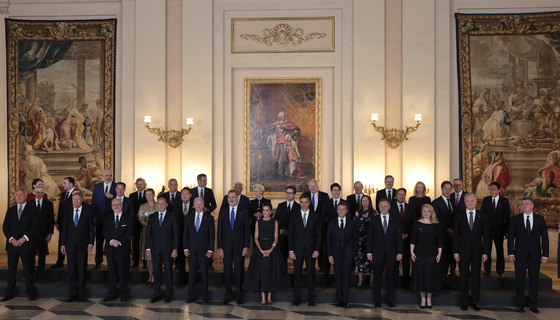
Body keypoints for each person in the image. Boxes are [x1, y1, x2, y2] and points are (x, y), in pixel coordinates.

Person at [508, 197, 549, 314]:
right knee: (519, 280)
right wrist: (510, 252)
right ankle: (520, 304)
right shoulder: (516, 219)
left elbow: (545, 238)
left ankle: (533, 304)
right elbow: (511, 237)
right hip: (519, 255)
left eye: (526, 204)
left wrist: (545, 254)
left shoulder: (540, 219)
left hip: (535, 256)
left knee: (534, 281)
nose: (524, 206)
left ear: (532, 205)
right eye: (522, 204)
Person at [244, 202, 290, 305]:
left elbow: (276, 238)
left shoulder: (275, 222)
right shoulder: (258, 222)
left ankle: (269, 296)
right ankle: (263, 297)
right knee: (261, 272)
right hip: (260, 248)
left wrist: (270, 250)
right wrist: (261, 250)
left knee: (270, 272)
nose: (265, 212)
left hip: (272, 249)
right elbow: (255, 238)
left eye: (267, 210)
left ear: (270, 211)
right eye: (263, 210)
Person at [452, 193, 490, 311]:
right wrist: (455, 251)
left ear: (476, 202)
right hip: (462, 251)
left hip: (478, 251)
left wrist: (485, 252)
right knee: (463, 276)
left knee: (476, 276)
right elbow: (454, 236)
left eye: (472, 201)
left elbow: (486, 236)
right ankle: (464, 301)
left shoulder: (482, 216)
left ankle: (474, 301)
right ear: (464, 202)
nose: (470, 203)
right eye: (467, 201)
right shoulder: (459, 215)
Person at [2, 188, 38, 301]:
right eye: (17, 195)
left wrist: (24, 238)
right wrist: (11, 239)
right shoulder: (10, 210)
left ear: (26, 196)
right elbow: (5, 227)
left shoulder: (32, 210)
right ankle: (9, 294)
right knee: (11, 270)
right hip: (12, 245)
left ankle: (31, 294)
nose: (18, 197)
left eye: (21, 195)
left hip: (26, 245)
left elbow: (35, 227)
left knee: (28, 270)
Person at [367, 199, 403, 308]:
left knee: (391, 277)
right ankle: (377, 301)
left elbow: (399, 239)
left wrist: (400, 252)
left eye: (385, 206)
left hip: (392, 253)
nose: (383, 208)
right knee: (376, 277)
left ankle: (389, 300)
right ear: (378, 207)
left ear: (389, 207)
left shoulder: (395, 220)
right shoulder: (374, 219)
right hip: (377, 253)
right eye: (381, 206)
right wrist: (369, 252)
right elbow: (370, 237)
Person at [217, 190, 250, 305]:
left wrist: (246, 246)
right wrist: (219, 247)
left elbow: (247, 231)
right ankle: (228, 294)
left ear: (237, 198)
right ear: (227, 199)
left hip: (239, 247)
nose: (231, 199)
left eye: (233, 197)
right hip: (225, 248)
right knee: (227, 271)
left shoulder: (244, 212)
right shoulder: (223, 212)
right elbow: (219, 231)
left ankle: (239, 296)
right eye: (229, 198)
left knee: (239, 271)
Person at [60, 192, 94, 302]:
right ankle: (72, 293)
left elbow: (91, 229)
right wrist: (62, 244)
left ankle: (81, 294)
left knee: (81, 269)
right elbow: (64, 229)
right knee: (71, 270)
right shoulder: (68, 211)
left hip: (82, 245)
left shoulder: (88, 211)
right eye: (73, 199)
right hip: (70, 245)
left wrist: (91, 243)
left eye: (77, 199)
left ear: (81, 200)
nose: (75, 201)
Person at [289, 193, 322, 307]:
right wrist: (291, 250)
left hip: (311, 251)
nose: (304, 204)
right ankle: (297, 298)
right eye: (301, 202)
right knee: (297, 275)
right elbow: (291, 235)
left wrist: (317, 249)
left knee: (311, 276)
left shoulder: (315, 215)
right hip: (297, 251)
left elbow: (319, 235)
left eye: (306, 202)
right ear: (300, 203)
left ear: (309, 203)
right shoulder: (294, 215)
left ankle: (311, 299)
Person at [145, 197, 179, 303]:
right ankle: (157, 293)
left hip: (169, 249)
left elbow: (176, 234)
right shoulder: (152, 217)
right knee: (157, 271)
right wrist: (147, 248)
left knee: (168, 271)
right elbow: (148, 234)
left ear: (166, 205)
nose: (160, 205)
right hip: (155, 249)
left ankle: (168, 294)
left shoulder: (172, 216)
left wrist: (175, 249)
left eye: (162, 203)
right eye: (158, 203)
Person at [410, 204, 443, 309]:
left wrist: (439, 254)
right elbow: (413, 239)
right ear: (422, 212)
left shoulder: (436, 224)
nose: (426, 213)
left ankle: (429, 299)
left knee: (430, 277)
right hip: (419, 254)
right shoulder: (417, 223)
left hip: (432, 254)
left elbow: (440, 241)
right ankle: (423, 299)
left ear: (431, 212)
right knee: (421, 277)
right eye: (424, 211)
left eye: (428, 211)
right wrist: (412, 252)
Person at [327, 202, 358, 308]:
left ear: (347, 211)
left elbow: (355, 239)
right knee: (338, 278)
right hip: (335, 255)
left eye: (343, 209)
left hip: (348, 256)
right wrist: (330, 254)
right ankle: (339, 300)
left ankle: (345, 300)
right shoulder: (331, 223)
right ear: (337, 210)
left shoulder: (352, 223)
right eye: (339, 209)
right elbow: (328, 240)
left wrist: (353, 254)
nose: (341, 211)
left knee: (346, 278)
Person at [102, 198, 134, 302]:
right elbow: (104, 232)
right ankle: (111, 294)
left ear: (122, 205)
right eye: (114, 205)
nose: (116, 206)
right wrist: (112, 241)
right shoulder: (107, 218)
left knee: (122, 273)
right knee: (111, 273)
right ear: (111, 206)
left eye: (118, 204)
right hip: (110, 249)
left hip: (122, 249)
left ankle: (123, 295)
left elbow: (129, 232)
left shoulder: (128, 218)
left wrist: (119, 242)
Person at [184, 197, 215, 304]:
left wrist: (211, 250)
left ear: (203, 205)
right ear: (193, 205)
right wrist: (185, 248)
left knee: (204, 274)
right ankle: (191, 295)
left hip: (204, 251)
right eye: (196, 204)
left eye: (200, 204)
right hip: (191, 250)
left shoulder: (209, 218)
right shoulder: (189, 217)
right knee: (191, 274)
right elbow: (185, 234)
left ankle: (204, 296)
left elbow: (212, 235)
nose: (198, 206)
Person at [481, 182, 511, 277]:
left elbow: (507, 217)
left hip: (499, 231)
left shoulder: (504, 201)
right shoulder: (486, 200)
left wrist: (507, 231)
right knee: (486, 251)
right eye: (490, 189)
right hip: (487, 231)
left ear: (499, 190)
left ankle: (500, 271)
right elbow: (482, 216)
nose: (492, 191)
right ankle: (487, 270)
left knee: (500, 251)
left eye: (494, 189)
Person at [266, 111, 306, 179]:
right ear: (279, 117)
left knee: (284, 158)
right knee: (276, 159)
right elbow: (270, 131)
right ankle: (276, 174)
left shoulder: (289, 124)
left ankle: (283, 175)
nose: (283, 117)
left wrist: (289, 135)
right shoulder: (275, 124)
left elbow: (296, 130)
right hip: (277, 144)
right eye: (281, 115)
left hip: (285, 143)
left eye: (284, 115)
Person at [301, 179, 329, 272]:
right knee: (308, 245)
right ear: (308, 187)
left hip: (321, 225)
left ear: (317, 186)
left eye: (314, 186)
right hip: (308, 226)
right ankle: (308, 265)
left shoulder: (324, 196)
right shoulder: (305, 195)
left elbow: (326, 211)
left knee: (320, 245)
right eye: (310, 186)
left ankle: (321, 265)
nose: (312, 188)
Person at [92, 168, 116, 269]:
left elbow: (121, 198)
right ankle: (98, 261)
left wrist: (112, 196)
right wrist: (93, 217)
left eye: (110, 175)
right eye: (106, 175)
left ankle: (112, 261)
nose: (108, 177)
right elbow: (93, 203)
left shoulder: (116, 186)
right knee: (99, 240)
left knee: (111, 240)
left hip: (112, 219)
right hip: (99, 218)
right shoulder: (97, 187)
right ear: (102, 176)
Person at [389, 188, 413, 289]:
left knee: (406, 262)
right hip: (395, 240)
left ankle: (406, 283)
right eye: (399, 194)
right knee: (395, 262)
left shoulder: (410, 208)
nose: (401, 196)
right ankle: (395, 282)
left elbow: (413, 223)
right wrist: (398, 235)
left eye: (403, 194)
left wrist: (407, 234)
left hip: (407, 239)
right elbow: (389, 224)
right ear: (396, 196)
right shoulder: (391, 208)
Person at [321, 183, 344, 287]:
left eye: (338, 190)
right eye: (334, 190)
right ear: (331, 191)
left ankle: (338, 279)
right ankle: (326, 280)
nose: (336, 192)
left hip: (342, 234)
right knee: (327, 257)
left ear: (340, 191)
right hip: (329, 234)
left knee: (339, 257)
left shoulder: (345, 203)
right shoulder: (326, 203)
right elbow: (322, 219)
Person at [432, 181, 455, 278]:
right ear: (442, 189)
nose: (448, 191)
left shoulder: (453, 202)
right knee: (442, 260)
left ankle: (450, 278)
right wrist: (448, 229)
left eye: (450, 189)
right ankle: (440, 283)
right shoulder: (436, 202)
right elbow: (436, 220)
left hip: (452, 236)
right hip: (442, 236)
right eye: (446, 188)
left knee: (451, 257)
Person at [30, 186, 54, 282]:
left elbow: (51, 220)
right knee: (31, 255)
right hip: (31, 234)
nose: (40, 194)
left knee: (42, 255)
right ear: (34, 193)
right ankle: (31, 275)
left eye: (42, 193)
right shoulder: (29, 204)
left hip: (44, 234)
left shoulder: (48, 204)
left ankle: (40, 274)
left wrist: (50, 233)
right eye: (38, 192)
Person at [52, 177, 75, 269]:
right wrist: (58, 222)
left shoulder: (76, 194)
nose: (63, 185)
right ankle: (59, 261)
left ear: (71, 184)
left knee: (71, 243)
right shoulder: (63, 194)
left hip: (73, 224)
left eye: (65, 183)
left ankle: (72, 262)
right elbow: (60, 209)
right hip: (63, 223)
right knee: (61, 242)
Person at [173, 187, 194, 284]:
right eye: (182, 194)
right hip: (180, 236)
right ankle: (182, 278)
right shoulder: (176, 206)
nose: (184, 196)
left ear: (190, 195)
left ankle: (192, 279)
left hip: (192, 237)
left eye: (186, 194)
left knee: (192, 259)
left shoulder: (195, 206)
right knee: (180, 258)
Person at [354, 194, 375, 288]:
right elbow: (354, 226)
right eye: (363, 201)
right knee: (360, 260)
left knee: (371, 261)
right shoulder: (357, 213)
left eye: (366, 200)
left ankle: (371, 281)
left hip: (371, 241)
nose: (364, 202)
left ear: (369, 202)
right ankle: (360, 280)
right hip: (359, 241)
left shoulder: (374, 213)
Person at [275, 186, 300, 262]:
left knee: (296, 259)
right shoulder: (280, 206)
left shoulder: (299, 207)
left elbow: (300, 223)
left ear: (294, 194)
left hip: (295, 237)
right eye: (287, 193)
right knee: (282, 259)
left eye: (290, 193)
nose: (288, 195)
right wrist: (280, 230)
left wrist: (291, 231)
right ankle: (284, 274)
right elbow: (276, 221)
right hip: (282, 237)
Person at [138, 188, 156, 282]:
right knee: (148, 255)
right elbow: (141, 219)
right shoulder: (142, 206)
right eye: (147, 195)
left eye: (150, 194)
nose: (148, 196)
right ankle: (150, 275)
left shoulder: (158, 205)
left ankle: (155, 275)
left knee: (156, 255)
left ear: (154, 195)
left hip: (157, 233)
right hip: (146, 232)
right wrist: (148, 225)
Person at [129, 177, 148, 269]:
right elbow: (130, 208)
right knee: (135, 242)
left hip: (145, 222)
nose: (139, 186)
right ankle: (135, 261)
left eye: (141, 184)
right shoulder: (132, 195)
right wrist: (135, 216)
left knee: (145, 241)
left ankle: (145, 261)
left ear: (144, 185)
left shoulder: (148, 194)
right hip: (135, 221)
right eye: (138, 184)